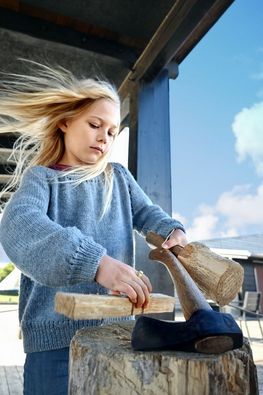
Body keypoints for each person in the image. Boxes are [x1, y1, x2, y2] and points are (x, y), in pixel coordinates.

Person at [0, 61, 187, 394]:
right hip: (54, 347)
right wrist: (96, 264)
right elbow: (18, 225)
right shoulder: (43, 179)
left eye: (112, 131)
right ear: (66, 122)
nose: (104, 137)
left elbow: (150, 214)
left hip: (119, 339)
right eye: (95, 124)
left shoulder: (119, 178)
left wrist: (173, 231)